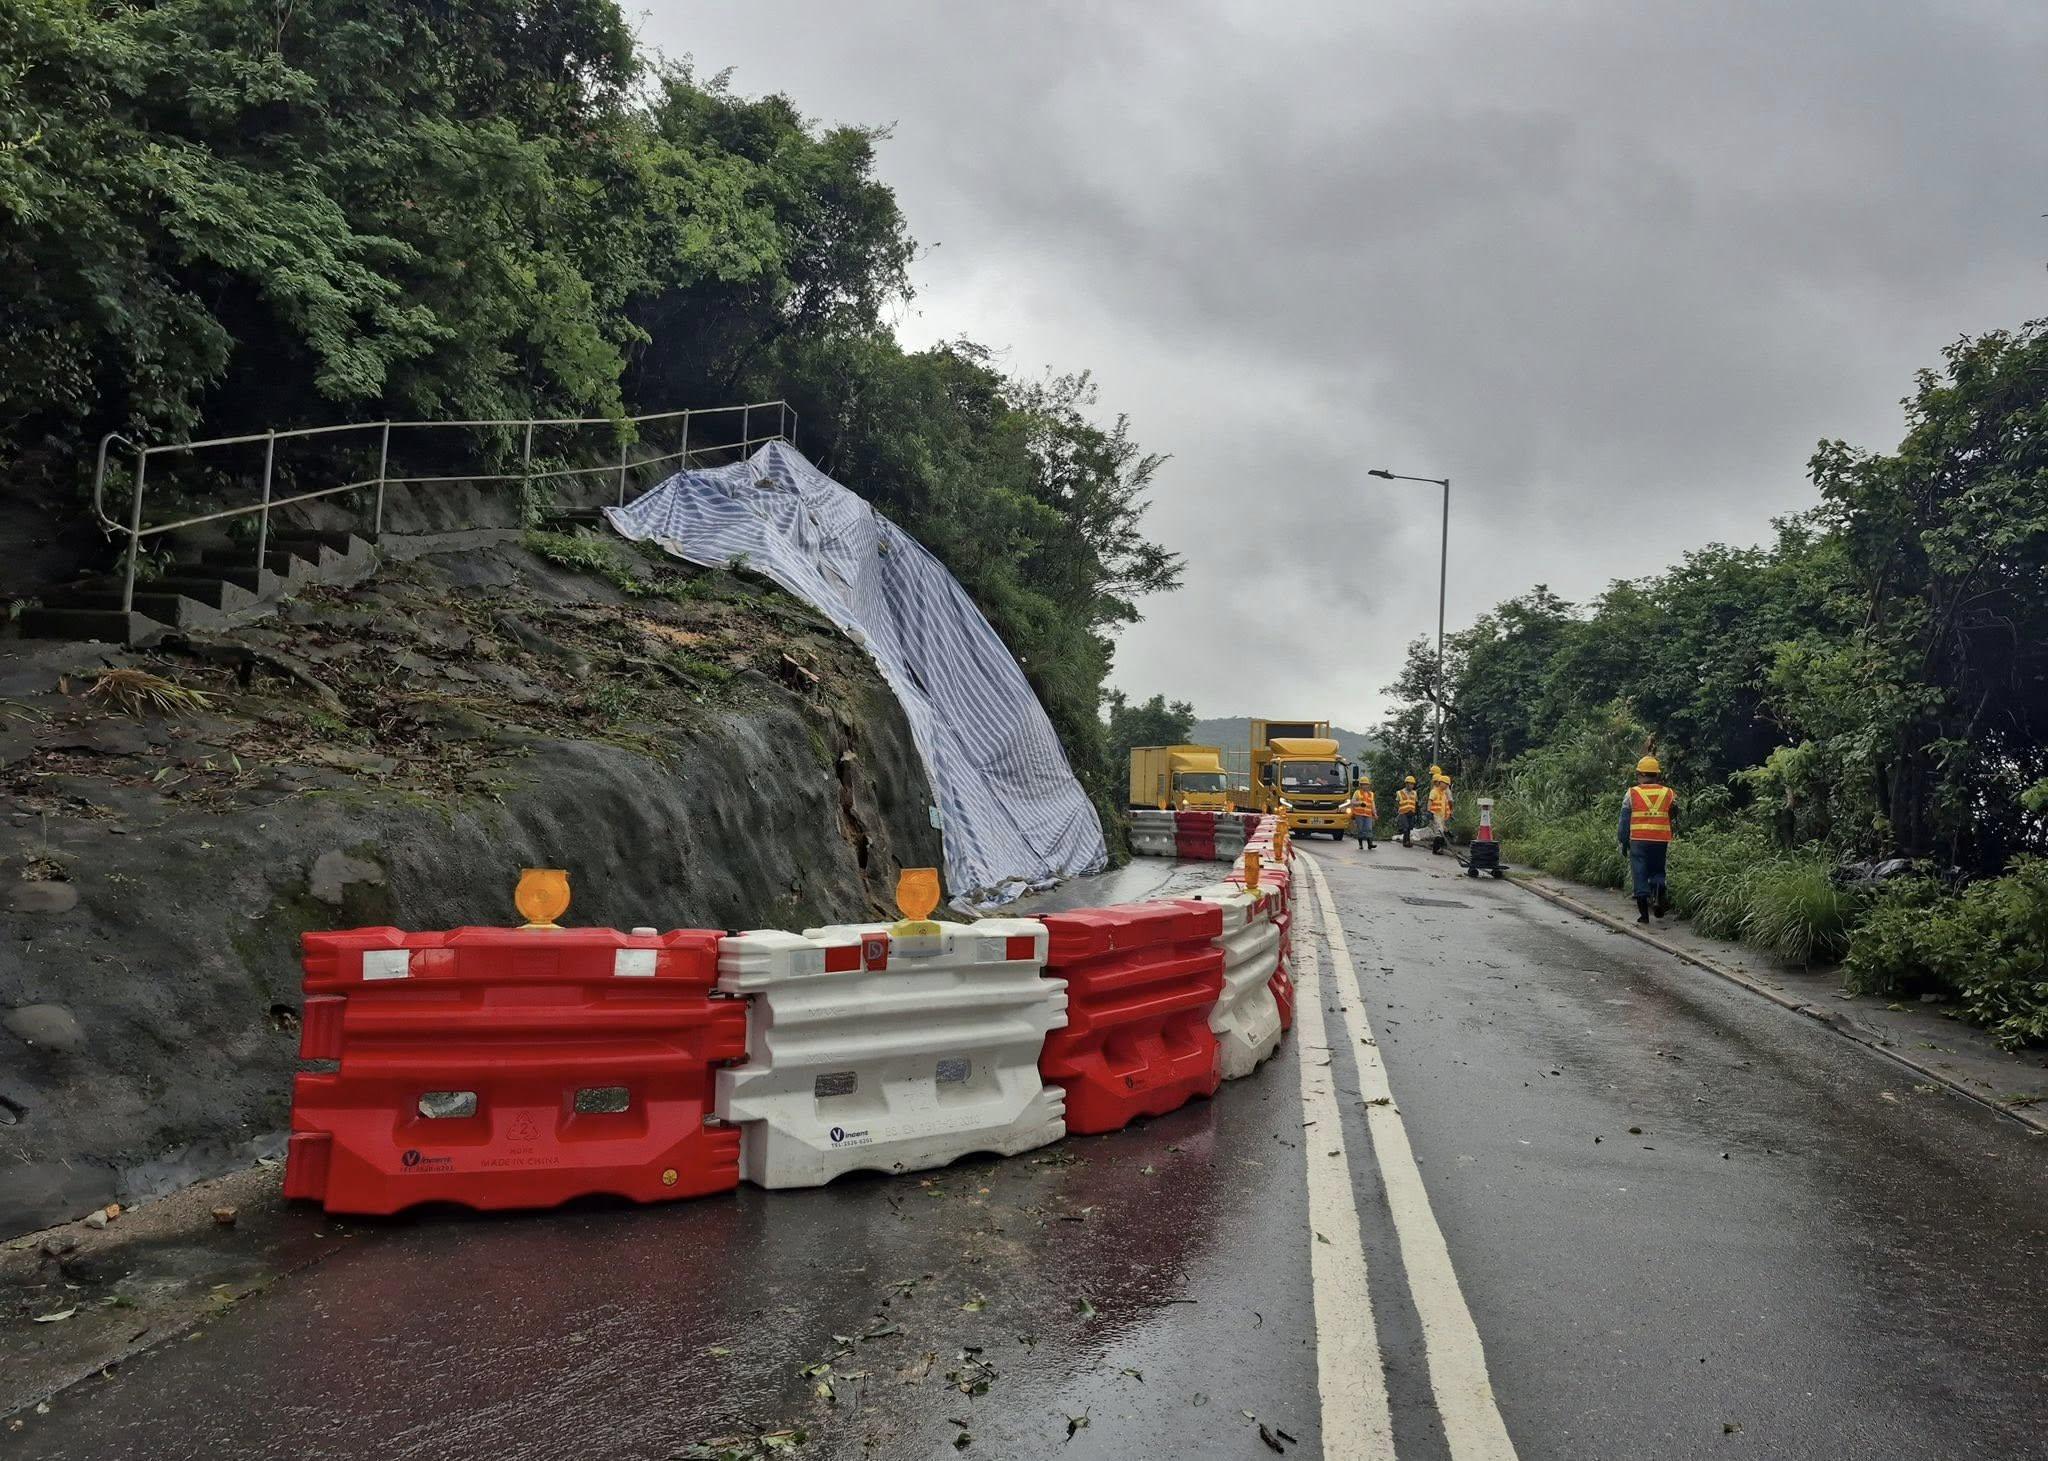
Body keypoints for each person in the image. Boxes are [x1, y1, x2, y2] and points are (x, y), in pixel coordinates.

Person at [1618, 754, 1679, 923]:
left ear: (1640, 774)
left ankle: (1644, 915)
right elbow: (1673, 814)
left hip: (1638, 840)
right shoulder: (1668, 793)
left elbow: (1624, 820)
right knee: (1658, 870)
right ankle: (1658, 896)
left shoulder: (1631, 793)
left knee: (1639, 872)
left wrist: (1623, 841)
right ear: (1657, 775)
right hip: (1660, 839)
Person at [1427, 767, 1454, 852]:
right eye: (1445, 784)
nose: (1446, 786)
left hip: (1442, 815)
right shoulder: (1434, 791)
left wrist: (1450, 812)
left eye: (1447, 784)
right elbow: (1430, 801)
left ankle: (1440, 846)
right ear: (1440, 783)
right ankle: (1437, 848)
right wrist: (1429, 812)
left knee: (1442, 830)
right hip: (1436, 814)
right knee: (1439, 831)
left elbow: (1447, 803)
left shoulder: (1444, 793)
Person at [1349, 775, 1377, 849]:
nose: (1365, 786)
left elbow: (1372, 804)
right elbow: (1352, 802)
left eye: (1366, 784)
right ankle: (1360, 844)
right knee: (1360, 829)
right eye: (1363, 784)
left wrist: (1375, 813)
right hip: (1359, 814)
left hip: (1368, 814)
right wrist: (1360, 803)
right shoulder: (1357, 793)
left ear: (1369, 785)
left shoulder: (1371, 794)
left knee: (1369, 829)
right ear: (1360, 785)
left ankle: (1370, 844)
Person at [1395, 775, 1419, 846]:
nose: (1411, 785)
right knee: (1406, 827)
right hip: (1403, 812)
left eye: (1412, 784)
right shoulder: (1399, 792)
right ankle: (1406, 842)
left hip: (1411, 812)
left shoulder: (1415, 793)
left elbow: (1416, 803)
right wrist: (1399, 811)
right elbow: (1397, 802)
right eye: (1410, 784)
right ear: (1406, 784)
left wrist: (1416, 812)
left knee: (1409, 827)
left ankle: (1407, 841)